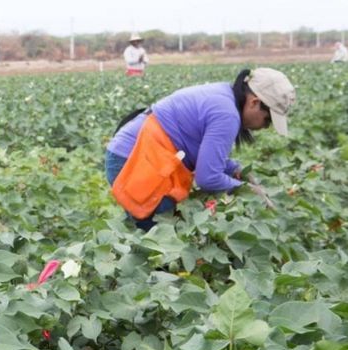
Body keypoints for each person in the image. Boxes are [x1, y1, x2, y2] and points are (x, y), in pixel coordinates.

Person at [105, 67, 296, 230]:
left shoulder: (223, 95)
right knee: (160, 242)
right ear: (254, 102)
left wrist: (234, 169)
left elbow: (203, 153)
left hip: (138, 156)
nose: (266, 126)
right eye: (268, 119)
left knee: (154, 233)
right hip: (136, 160)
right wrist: (247, 190)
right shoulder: (227, 114)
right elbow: (208, 178)